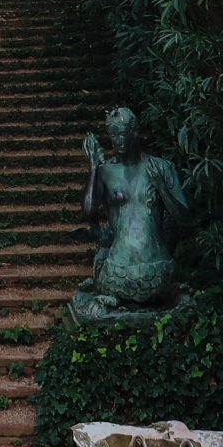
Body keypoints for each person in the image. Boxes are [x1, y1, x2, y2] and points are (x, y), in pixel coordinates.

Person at [73, 107, 186, 317]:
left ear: (135, 132)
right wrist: (94, 168)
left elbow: (182, 216)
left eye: (123, 133)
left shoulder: (161, 167)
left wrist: (162, 187)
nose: (118, 141)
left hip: (157, 268)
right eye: (113, 135)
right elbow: (89, 210)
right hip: (118, 270)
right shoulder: (106, 171)